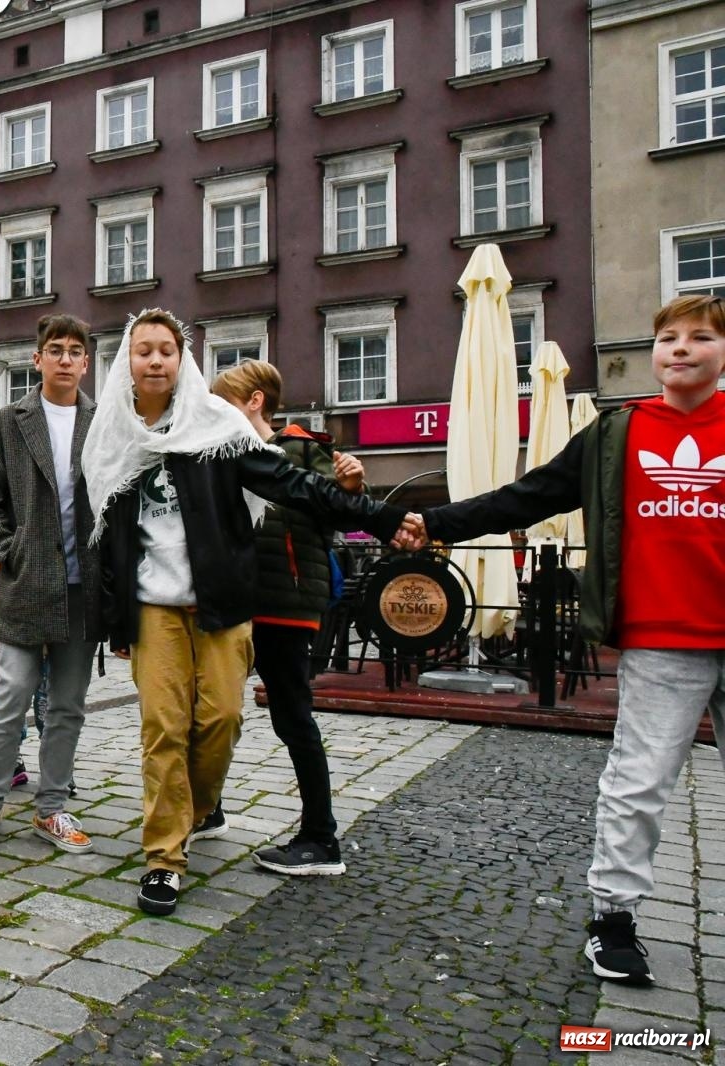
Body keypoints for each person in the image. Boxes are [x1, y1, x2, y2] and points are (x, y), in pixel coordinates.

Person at [401, 294, 725, 988]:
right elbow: (531, 495)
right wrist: (437, 523)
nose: (682, 348)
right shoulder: (619, 432)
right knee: (639, 782)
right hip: (662, 635)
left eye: (701, 337)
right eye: (669, 336)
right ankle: (613, 919)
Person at [86, 310, 406, 916]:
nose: (155, 360)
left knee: (222, 719)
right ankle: (163, 858)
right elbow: (103, 538)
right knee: (162, 727)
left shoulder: (218, 428)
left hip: (224, 601)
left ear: (183, 362)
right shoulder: (114, 437)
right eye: (143, 350)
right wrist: (114, 620)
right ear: (127, 362)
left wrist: (379, 515)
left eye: (166, 350)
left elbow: (292, 483)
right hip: (153, 606)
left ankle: (198, 807)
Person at [0, 313, 103, 855]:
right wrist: (8, 552)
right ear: (37, 359)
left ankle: (52, 808)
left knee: (67, 703)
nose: (65, 358)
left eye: (74, 351)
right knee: (10, 693)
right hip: (24, 580)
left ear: (86, 362)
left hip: (84, 588)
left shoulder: (103, 421)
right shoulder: (8, 423)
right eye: (55, 349)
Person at [210, 360, 367, 876]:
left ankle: (321, 839)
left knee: (292, 717)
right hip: (237, 601)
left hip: (285, 602)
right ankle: (207, 808)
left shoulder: (300, 449)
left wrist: (353, 488)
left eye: (225, 400)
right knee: (213, 711)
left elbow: (340, 513)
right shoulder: (224, 455)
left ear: (255, 401)